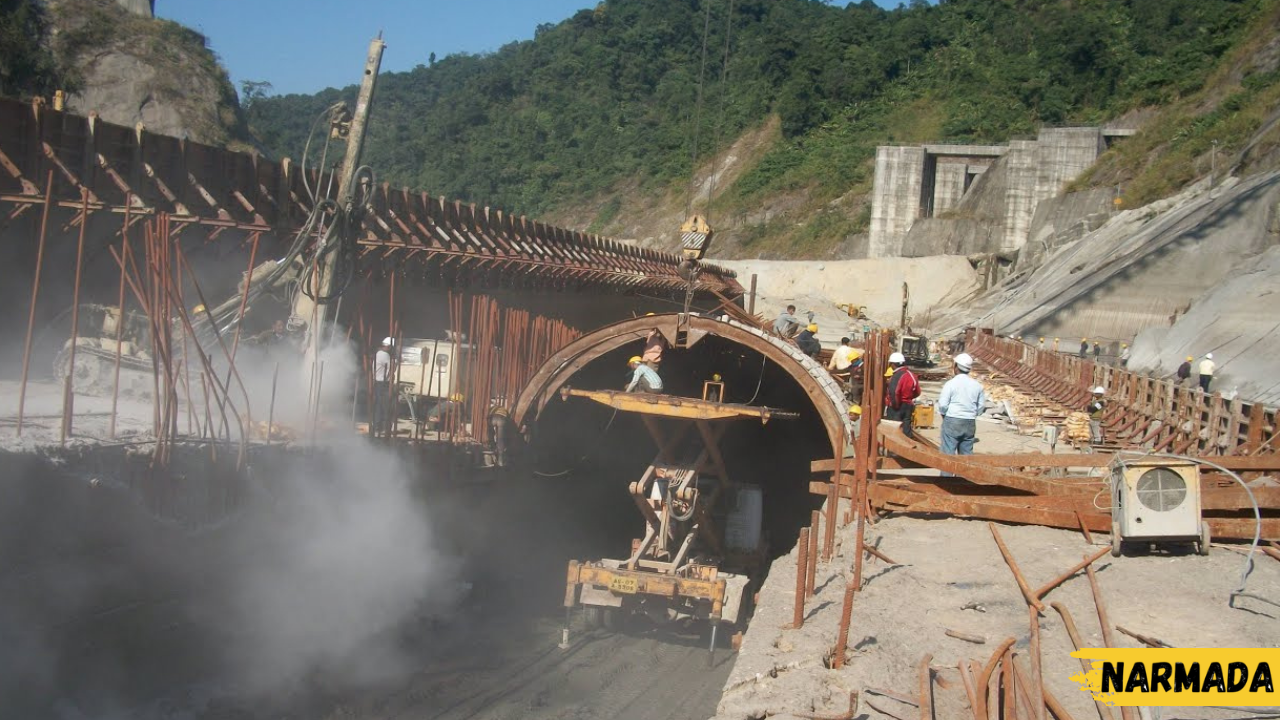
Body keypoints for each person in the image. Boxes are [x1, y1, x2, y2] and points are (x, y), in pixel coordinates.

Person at [937, 353, 986, 457]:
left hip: (952, 420)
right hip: (970, 422)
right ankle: (964, 473)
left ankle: (947, 473)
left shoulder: (950, 384)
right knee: (966, 457)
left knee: (947, 456)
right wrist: (971, 414)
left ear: (956, 367)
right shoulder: (977, 386)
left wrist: (945, 416)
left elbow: (942, 405)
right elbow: (981, 407)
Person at [884, 351, 921, 438]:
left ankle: (894, 450)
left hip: (897, 406)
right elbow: (917, 391)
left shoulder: (896, 376)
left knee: (894, 430)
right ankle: (907, 446)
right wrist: (909, 398)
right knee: (906, 428)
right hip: (908, 405)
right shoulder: (911, 375)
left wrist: (895, 406)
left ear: (893, 364)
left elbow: (895, 392)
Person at [371, 337, 393, 437]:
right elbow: (392, 368)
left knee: (378, 405)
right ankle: (382, 427)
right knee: (384, 406)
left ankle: (377, 426)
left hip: (377, 382)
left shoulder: (378, 353)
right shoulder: (385, 355)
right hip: (382, 383)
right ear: (388, 346)